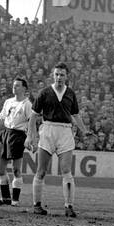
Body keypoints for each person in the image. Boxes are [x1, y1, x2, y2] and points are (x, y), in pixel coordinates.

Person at [29, 63, 91, 217]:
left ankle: (69, 206)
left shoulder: (70, 93)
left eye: (62, 75)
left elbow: (75, 115)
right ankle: (37, 205)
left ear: (66, 76)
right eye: (57, 74)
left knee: (66, 170)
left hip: (65, 131)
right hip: (48, 129)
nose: (59, 77)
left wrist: (85, 131)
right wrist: (32, 136)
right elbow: (33, 115)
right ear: (53, 75)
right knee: (41, 171)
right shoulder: (45, 92)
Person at [0, 77, 35, 205]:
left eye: (17, 85)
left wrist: (30, 138)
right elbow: (1, 120)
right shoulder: (8, 102)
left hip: (18, 135)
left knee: (16, 169)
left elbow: (31, 123)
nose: (14, 87)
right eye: (14, 85)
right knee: (0, 169)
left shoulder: (27, 104)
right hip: (6, 134)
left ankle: (15, 200)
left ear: (24, 89)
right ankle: (5, 198)